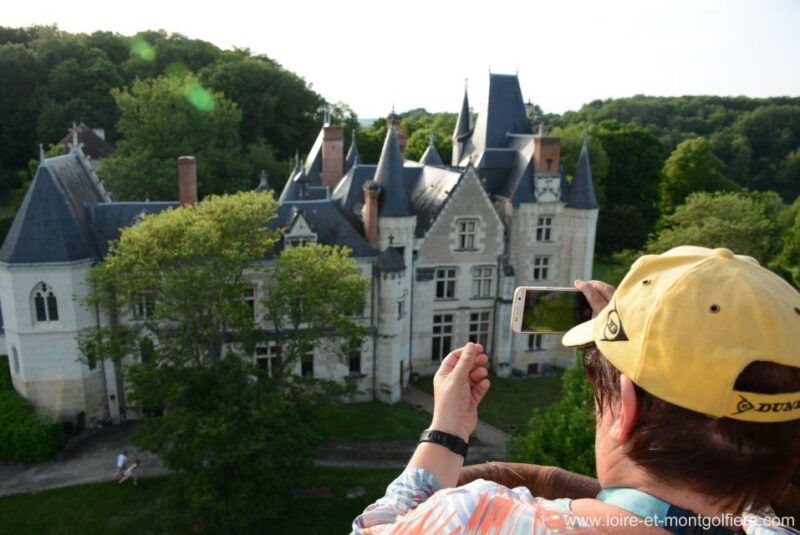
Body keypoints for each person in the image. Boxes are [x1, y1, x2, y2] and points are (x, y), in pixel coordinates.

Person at [352, 246, 800, 534]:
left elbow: (378, 527)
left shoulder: (474, 517)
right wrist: (618, 350)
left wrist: (446, 431)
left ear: (625, 411)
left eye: (600, 397)